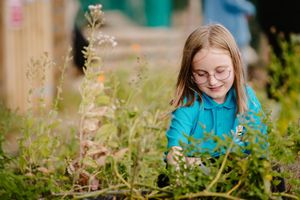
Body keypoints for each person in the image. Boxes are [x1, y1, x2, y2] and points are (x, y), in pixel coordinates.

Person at [165, 24, 266, 172]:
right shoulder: (189, 103)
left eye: (221, 71)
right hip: (198, 171)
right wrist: (180, 163)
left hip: (237, 169)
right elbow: (175, 152)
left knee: (272, 171)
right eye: (201, 74)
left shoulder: (246, 97)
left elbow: (260, 148)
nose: (212, 81)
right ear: (191, 73)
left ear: (235, 64)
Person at [202, 0, 257, 80]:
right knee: (238, 73)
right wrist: (251, 9)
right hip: (233, 35)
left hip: (215, 33)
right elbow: (234, 3)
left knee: (216, 71)